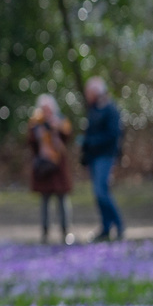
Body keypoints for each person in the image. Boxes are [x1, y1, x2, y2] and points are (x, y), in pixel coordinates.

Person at [82, 76, 125, 242]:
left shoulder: (110, 109)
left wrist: (92, 141)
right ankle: (106, 228)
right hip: (93, 157)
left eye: (89, 92)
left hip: (106, 156)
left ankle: (118, 224)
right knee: (98, 193)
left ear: (96, 92)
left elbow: (114, 135)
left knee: (102, 191)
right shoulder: (93, 109)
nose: (87, 96)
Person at [26, 93, 73, 244]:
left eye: (48, 109)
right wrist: (39, 134)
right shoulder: (35, 123)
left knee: (62, 200)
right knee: (45, 201)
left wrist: (55, 129)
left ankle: (65, 231)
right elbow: (30, 142)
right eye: (43, 109)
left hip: (58, 167)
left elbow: (67, 137)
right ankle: (45, 233)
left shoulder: (60, 121)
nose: (46, 112)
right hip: (44, 168)